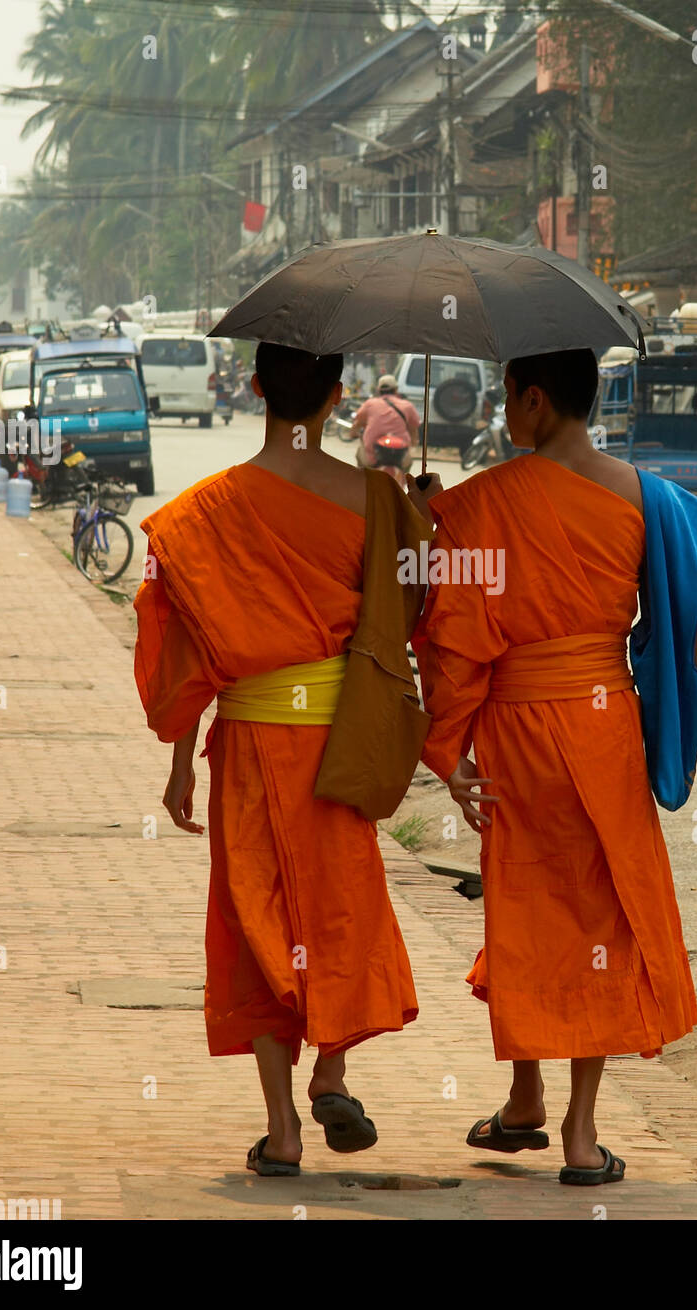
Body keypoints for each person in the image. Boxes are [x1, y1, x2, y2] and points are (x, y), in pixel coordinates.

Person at [413, 347, 697, 1186]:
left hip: (515, 734)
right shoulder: (647, 500)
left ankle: (524, 1091)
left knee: (524, 908)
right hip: (603, 732)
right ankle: (575, 1132)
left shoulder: (480, 504)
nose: (503, 415)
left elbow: (451, 642)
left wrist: (447, 751)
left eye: (507, 400)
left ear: (533, 402)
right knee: (599, 922)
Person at [133, 343, 429, 1177]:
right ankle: (332, 1067)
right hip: (341, 743)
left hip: (253, 743)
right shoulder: (375, 496)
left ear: (257, 386)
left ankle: (283, 1128)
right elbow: (410, 614)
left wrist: (181, 761)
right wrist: (417, 513)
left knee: (253, 913)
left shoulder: (206, 511)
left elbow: (186, 648)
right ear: (338, 398)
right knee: (340, 906)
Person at [348, 374, 420, 487]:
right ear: (396, 390)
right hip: (400, 456)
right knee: (408, 463)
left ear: (378, 390)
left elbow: (358, 423)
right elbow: (413, 429)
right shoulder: (407, 406)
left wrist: (352, 433)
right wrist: (414, 443)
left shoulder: (370, 404)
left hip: (372, 457)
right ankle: (403, 481)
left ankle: (361, 484)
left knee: (360, 456)